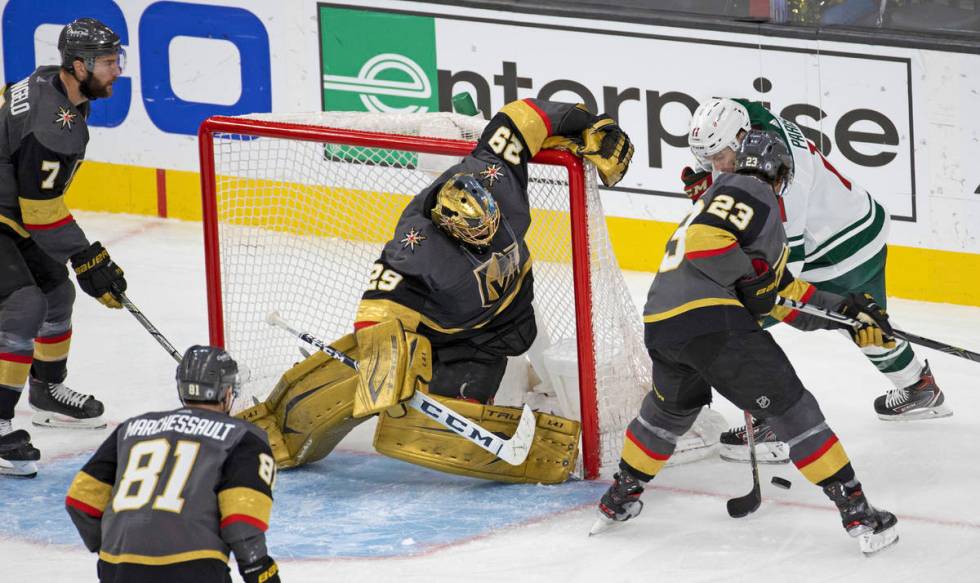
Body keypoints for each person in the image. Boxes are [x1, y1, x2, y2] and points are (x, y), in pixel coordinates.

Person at [238, 98, 634, 484]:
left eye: (489, 228)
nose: (488, 238)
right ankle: (280, 423)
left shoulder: (493, 173)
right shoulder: (416, 250)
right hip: (457, 340)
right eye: (475, 236)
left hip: (514, 309)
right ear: (448, 227)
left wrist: (588, 124)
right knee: (422, 416)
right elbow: (376, 311)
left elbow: (520, 116)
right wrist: (385, 367)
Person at [593, 130, 899, 555]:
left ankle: (619, 499)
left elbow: (778, 295)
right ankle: (859, 513)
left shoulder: (715, 200)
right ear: (780, 173)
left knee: (667, 414)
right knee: (795, 410)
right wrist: (749, 271)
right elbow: (736, 272)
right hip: (712, 322)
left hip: (663, 324)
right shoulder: (758, 195)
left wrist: (847, 314)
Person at [682, 97, 950, 463]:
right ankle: (919, 387)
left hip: (835, 249)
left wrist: (744, 298)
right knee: (859, 323)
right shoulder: (746, 121)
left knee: (753, 319)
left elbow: (782, 264)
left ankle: (774, 419)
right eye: (708, 159)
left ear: (744, 137)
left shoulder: (783, 181)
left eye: (720, 158)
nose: (716, 167)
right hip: (856, 221)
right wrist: (713, 179)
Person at [0, 18, 129, 477]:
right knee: (22, 304)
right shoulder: (53, 127)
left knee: (58, 294)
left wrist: (81, 260)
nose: (118, 71)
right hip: (8, 216)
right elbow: (39, 211)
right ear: (78, 66)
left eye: (118, 59)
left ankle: (47, 393)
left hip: (9, 214)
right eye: (109, 63)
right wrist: (88, 255)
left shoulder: (45, 81)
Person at [65, 345, 281, 583]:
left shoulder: (132, 428)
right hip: (192, 568)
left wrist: (111, 550)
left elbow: (81, 501)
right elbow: (242, 523)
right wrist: (260, 572)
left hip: (119, 567)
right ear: (228, 391)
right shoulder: (243, 437)